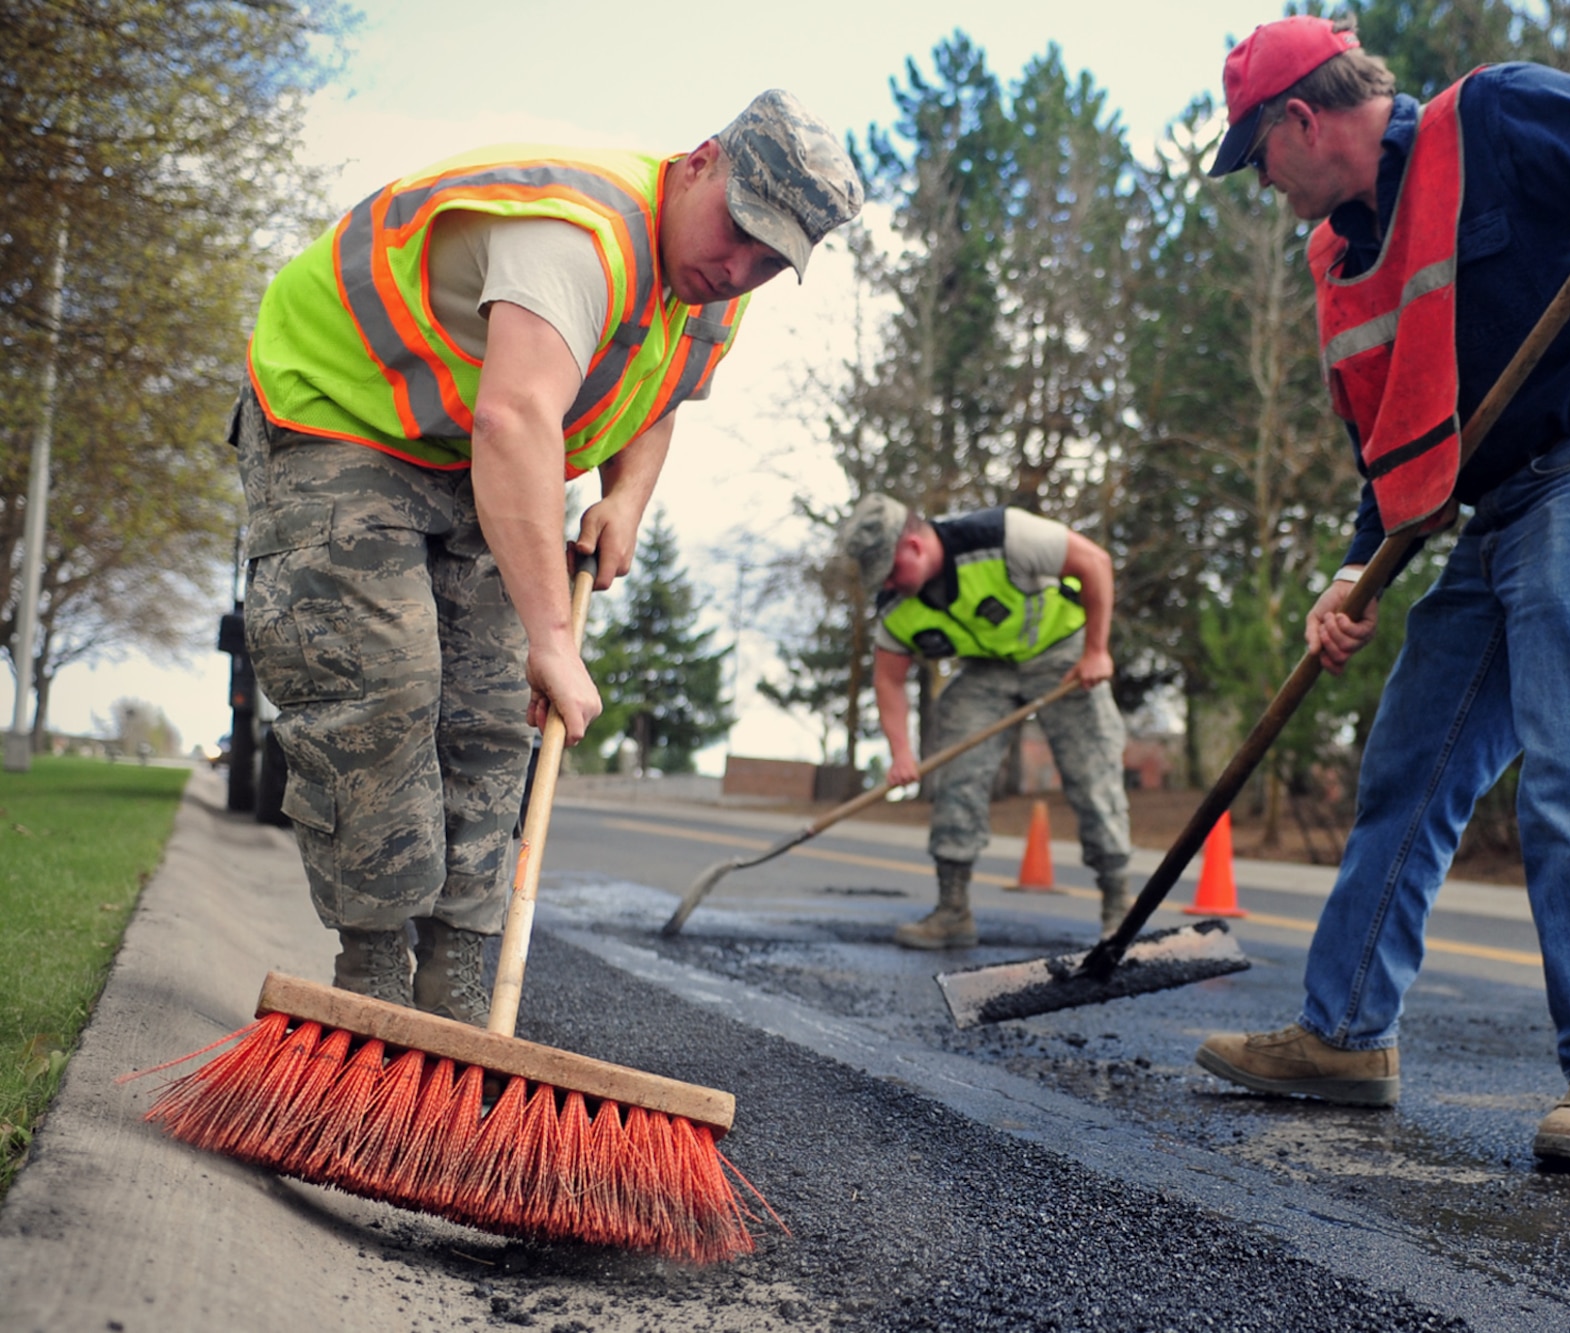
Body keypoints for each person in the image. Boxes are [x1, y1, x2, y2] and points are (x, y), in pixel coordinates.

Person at [1194, 17, 1570, 1170]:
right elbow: (1389, 448)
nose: (1261, 181)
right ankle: (1343, 1036)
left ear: (1300, 119)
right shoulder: (1341, 259)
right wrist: (1354, 575)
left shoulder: (1487, 120)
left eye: (1257, 156)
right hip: (1494, 510)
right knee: (1408, 763)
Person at [233, 90, 862, 1023]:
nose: (740, 268)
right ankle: (369, 985)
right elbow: (515, 416)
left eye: (771, 260)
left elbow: (663, 396)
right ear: (698, 163)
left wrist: (625, 501)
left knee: (493, 717)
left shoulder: (710, 292)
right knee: (387, 689)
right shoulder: (580, 237)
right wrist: (554, 634)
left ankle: (454, 990)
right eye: (739, 231)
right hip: (341, 415)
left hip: (467, 454)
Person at [840, 494, 1133, 948]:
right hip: (987, 669)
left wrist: (1097, 649)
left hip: (1062, 654)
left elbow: (1094, 562)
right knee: (958, 774)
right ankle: (952, 911)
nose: (891, 585)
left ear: (914, 545)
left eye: (893, 572)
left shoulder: (1003, 536)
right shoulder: (897, 607)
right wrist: (901, 754)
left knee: (1093, 774)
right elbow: (889, 680)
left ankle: (1119, 911)